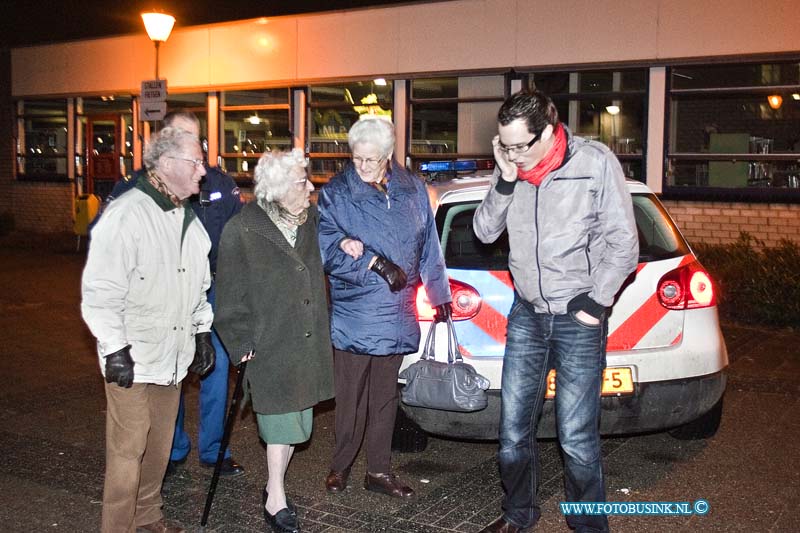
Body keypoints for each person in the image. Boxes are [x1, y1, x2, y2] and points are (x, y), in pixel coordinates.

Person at [473, 90, 639, 533]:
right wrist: (505, 178)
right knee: (511, 436)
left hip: (577, 317)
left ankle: (588, 527)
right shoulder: (512, 168)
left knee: (577, 438)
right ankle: (518, 514)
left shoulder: (595, 163)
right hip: (527, 314)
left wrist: (596, 302)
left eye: (518, 146)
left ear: (548, 132)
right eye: (502, 145)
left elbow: (624, 242)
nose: (510, 154)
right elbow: (484, 230)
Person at [81, 126, 216, 533]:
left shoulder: (189, 221)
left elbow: (199, 286)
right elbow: (100, 289)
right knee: (127, 452)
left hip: (172, 355)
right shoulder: (127, 214)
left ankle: (147, 519)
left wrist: (202, 332)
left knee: (158, 448)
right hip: (133, 358)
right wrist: (114, 347)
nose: (202, 171)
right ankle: (117, 527)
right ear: (167, 163)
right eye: (195, 162)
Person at [102, 111, 245, 477]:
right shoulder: (134, 186)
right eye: (181, 136)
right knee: (171, 372)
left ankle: (214, 449)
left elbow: (238, 240)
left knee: (216, 370)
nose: (190, 146)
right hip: (161, 297)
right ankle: (172, 447)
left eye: (195, 138)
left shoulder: (218, 183)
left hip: (211, 292)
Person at [317, 115, 452, 500]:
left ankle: (378, 470)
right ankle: (340, 466)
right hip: (355, 315)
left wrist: (439, 295)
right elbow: (325, 249)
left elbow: (429, 247)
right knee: (350, 399)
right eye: (357, 158)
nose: (361, 167)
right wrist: (373, 264)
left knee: (384, 400)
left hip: (396, 313)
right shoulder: (337, 192)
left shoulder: (412, 187)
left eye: (371, 160)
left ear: (389, 155)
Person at [214, 149, 334, 533]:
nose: (310, 187)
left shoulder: (313, 220)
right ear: (280, 189)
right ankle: (275, 496)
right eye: (302, 182)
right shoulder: (243, 229)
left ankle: (272, 484)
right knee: (280, 423)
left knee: (297, 425)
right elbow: (229, 295)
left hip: (305, 337)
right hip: (269, 342)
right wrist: (239, 340)